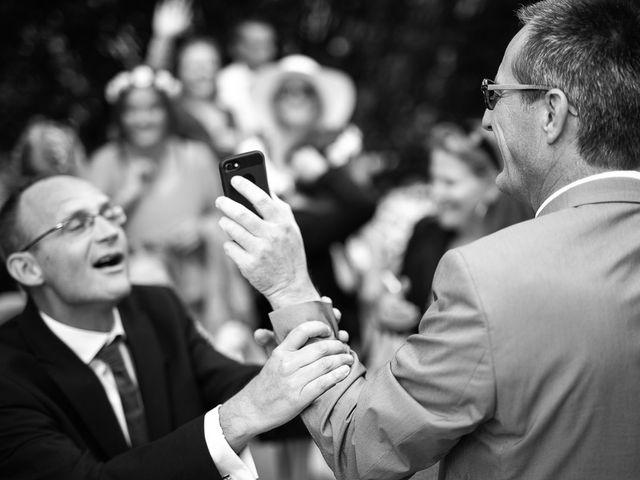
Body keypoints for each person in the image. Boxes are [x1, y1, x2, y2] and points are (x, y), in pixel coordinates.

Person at [215, 0, 640, 478]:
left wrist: (290, 289)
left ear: (551, 114)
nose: (484, 119)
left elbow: (363, 445)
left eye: (495, 93)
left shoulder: (488, 278)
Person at [0, 174, 353, 480]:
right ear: (27, 268)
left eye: (110, 214)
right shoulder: (8, 377)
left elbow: (244, 388)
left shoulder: (156, 307)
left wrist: (305, 345)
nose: (110, 232)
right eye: (77, 224)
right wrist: (241, 415)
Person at [87, 65, 256, 349]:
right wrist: (127, 195)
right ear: (120, 116)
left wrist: (201, 230)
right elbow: (88, 230)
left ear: (168, 112)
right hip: (140, 297)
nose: (143, 119)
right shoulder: (106, 162)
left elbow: (226, 216)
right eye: (132, 110)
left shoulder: (196, 156)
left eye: (153, 108)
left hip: (204, 288)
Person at [363, 123, 531, 371]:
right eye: (433, 179)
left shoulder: (515, 248)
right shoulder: (425, 233)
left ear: (490, 187)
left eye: (449, 182)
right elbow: (406, 299)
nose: (436, 192)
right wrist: (389, 307)